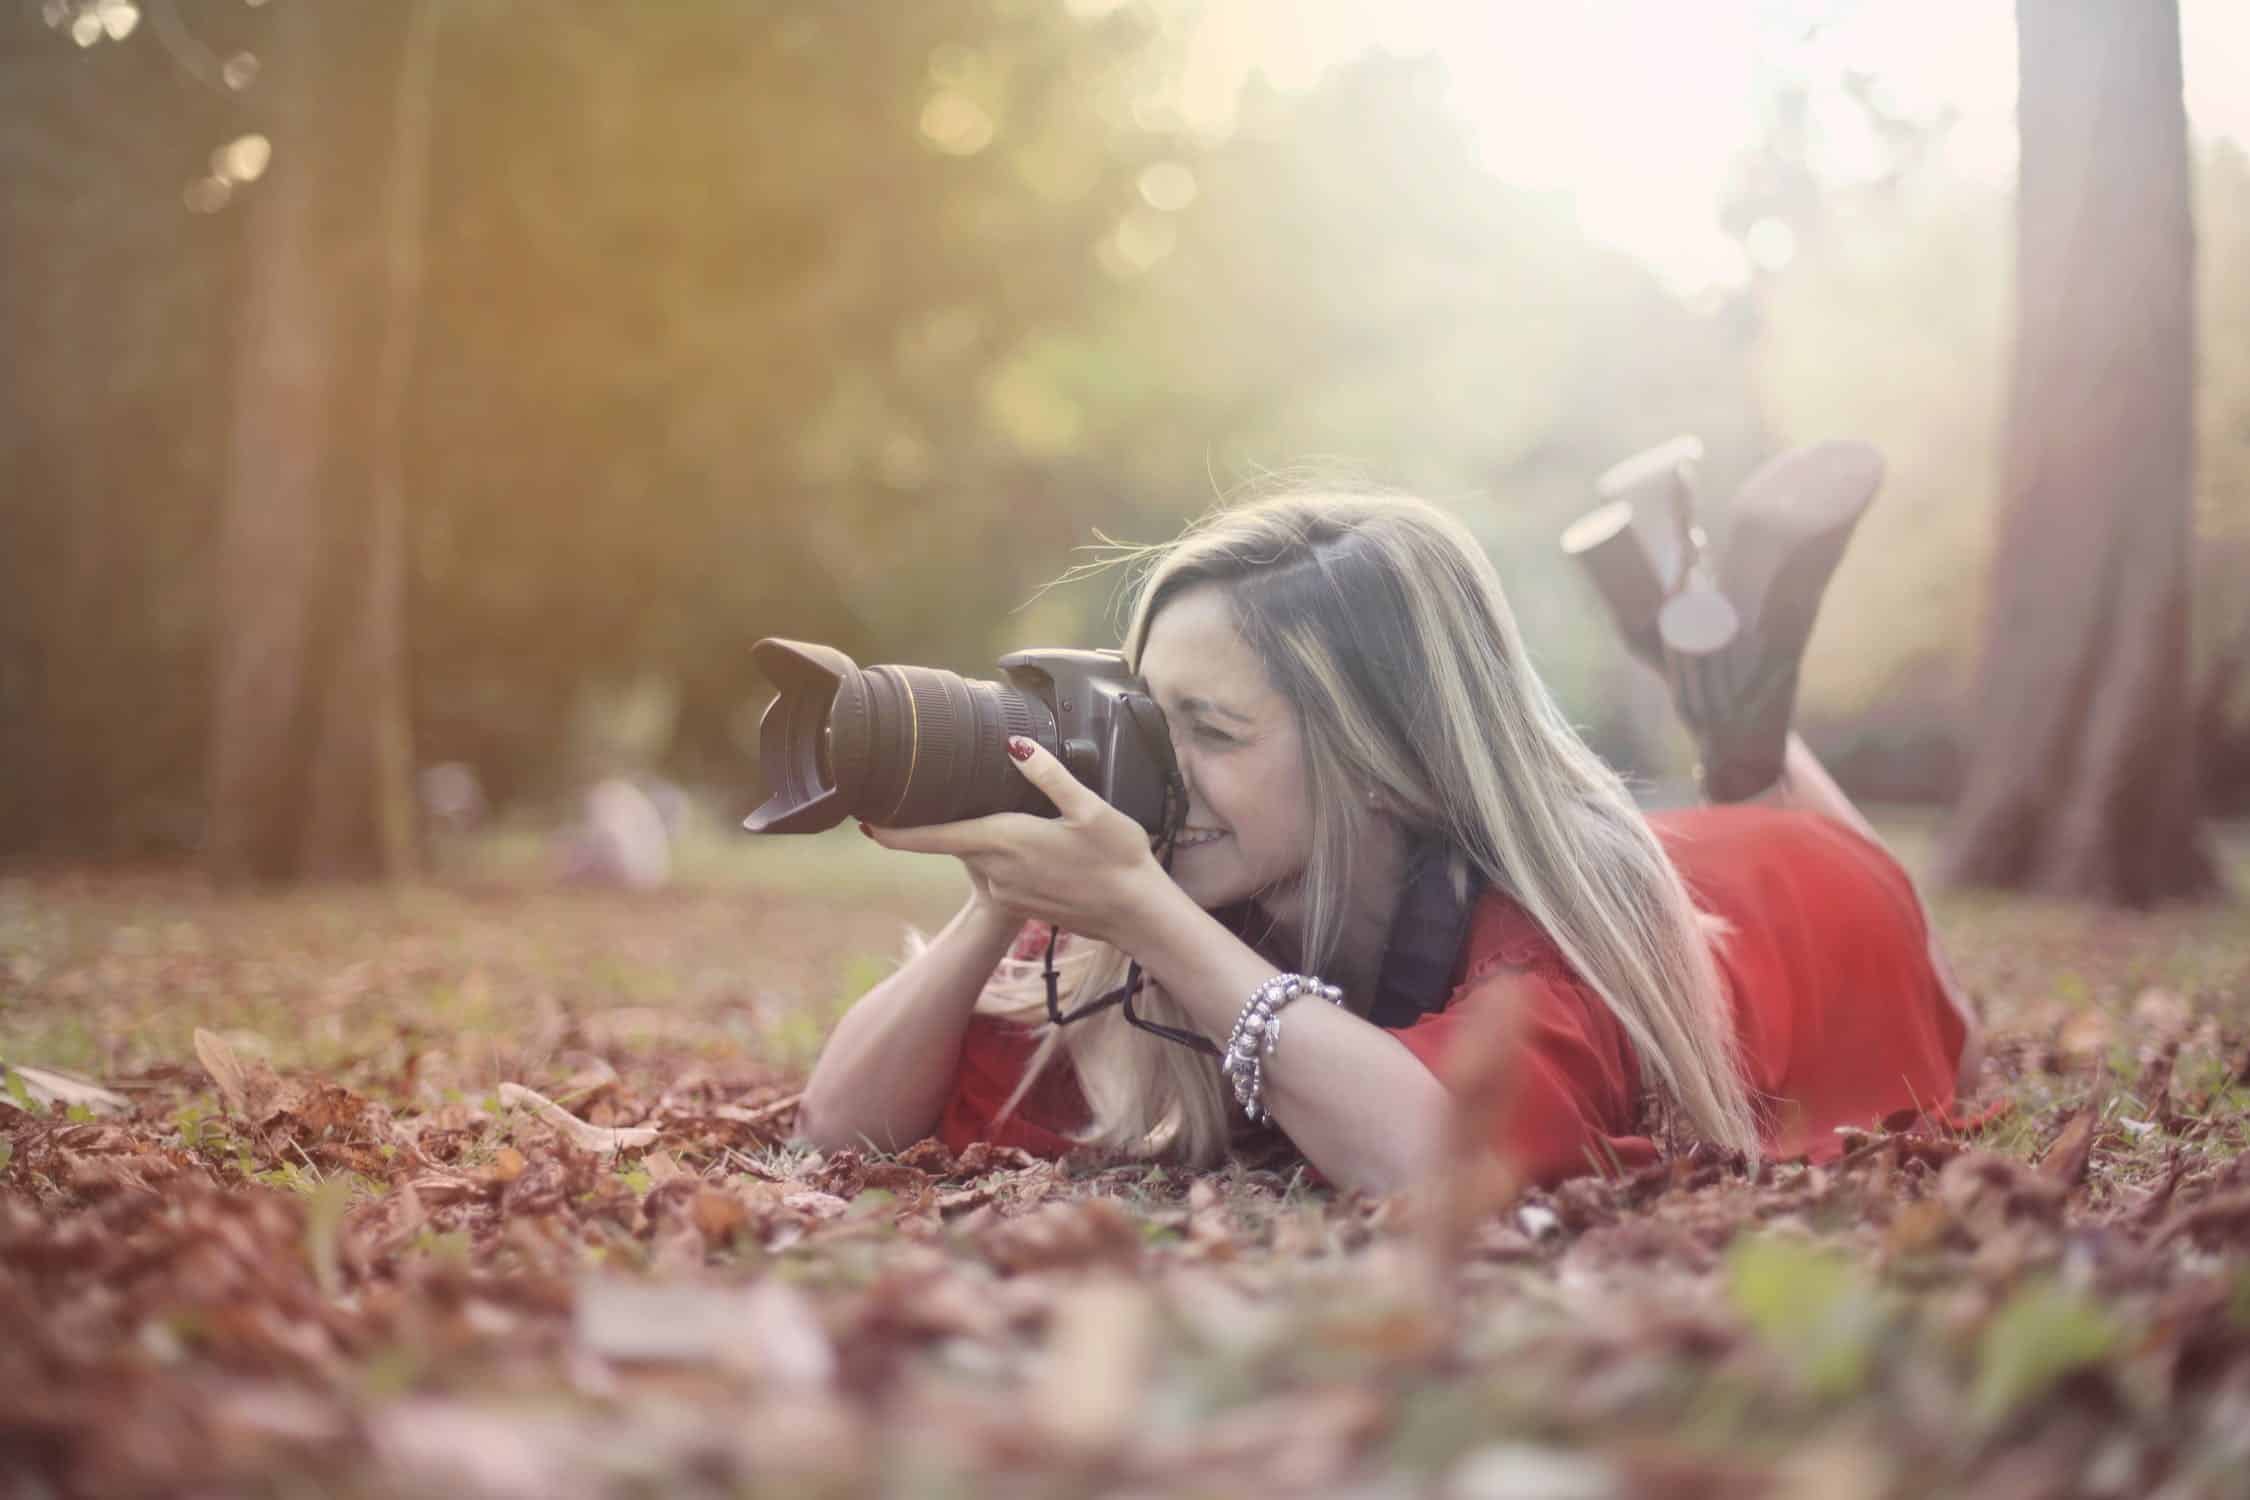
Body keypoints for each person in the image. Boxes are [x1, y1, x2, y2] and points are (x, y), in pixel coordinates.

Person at [795, 449, 1985, 1196]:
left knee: (1932, 983)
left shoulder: (1546, 927)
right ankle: (1720, 691)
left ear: (1381, 761)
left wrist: (1152, 919)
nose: (1160, 767)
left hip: (1768, 904)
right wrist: (994, 903)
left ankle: (1747, 740)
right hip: (1660, 866)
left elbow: (1433, 1158)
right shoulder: (1182, 890)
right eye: (1151, 718)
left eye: (1213, 730)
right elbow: (841, 1128)